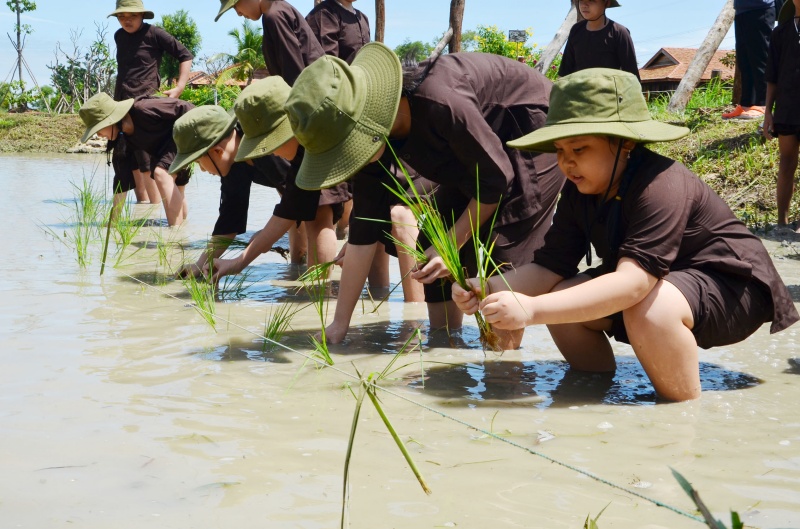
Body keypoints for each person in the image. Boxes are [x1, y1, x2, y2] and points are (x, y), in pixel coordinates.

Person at [451, 68, 799, 402]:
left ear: (625, 143)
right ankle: (591, 394)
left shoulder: (660, 185)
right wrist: (488, 287)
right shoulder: (579, 191)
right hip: (663, 283)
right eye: (559, 150)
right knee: (564, 296)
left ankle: (679, 414)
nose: (567, 163)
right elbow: (550, 268)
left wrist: (532, 309)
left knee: (649, 307)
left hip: (732, 288)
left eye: (579, 149)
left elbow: (634, 284)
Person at [285, 43, 565, 347]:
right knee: (431, 243)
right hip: (475, 156)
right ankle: (445, 344)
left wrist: (453, 244)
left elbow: (496, 179)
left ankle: (504, 364)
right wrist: (339, 325)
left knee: (503, 246)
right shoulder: (373, 146)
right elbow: (362, 236)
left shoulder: (440, 100)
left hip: (529, 131)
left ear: (368, 125)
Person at [170, 79, 350, 280]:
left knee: (318, 213)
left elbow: (299, 202)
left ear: (217, 151)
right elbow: (230, 220)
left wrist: (254, 248)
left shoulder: (268, 145)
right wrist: (201, 263)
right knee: (298, 216)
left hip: (326, 162)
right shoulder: (232, 163)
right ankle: (298, 270)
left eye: (199, 162)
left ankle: (319, 291)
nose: (203, 170)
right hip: (296, 187)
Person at [108, 0, 194, 208]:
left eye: (132, 16)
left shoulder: (154, 34)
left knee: (146, 162)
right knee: (124, 160)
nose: (126, 20)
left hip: (146, 107)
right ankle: (140, 208)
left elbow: (185, 55)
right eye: (122, 16)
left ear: (142, 16)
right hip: (122, 106)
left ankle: (154, 213)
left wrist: (179, 87)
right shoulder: (119, 36)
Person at [306, 0, 370, 239]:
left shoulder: (362, 17)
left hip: (358, 107)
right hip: (333, 111)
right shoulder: (325, 15)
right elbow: (327, 67)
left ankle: (347, 236)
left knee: (356, 175)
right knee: (330, 188)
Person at [79, 93, 194, 227]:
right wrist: (113, 222)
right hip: (163, 150)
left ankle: (173, 233)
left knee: (161, 173)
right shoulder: (122, 140)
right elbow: (121, 179)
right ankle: (182, 231)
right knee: (175, 186)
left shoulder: (142, 109)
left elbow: (185, 108)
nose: (98, 135)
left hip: (181, 136)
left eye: (98, 128)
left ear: (111, 120)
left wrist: (201, 139)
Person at [215, 0, 323, 87]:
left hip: (314, 93)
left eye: (235, 6)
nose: (238, 13)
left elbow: (294, 73)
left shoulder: (274, 16)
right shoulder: (275, 10)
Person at [764, 0, 800, 228]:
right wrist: (768, 112)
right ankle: (782, 223)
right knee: (786, 163)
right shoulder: (780, 33)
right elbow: (772, 76)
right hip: (786, 109)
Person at [723, 0, 781, 120]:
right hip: (741, 10)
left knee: (760, 58)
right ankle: (746, 105)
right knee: (744, 60)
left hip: (761, 8)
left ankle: (763, 104)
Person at [558, 0, 640, 80]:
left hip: (609, 88)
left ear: (606, 3)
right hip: (579, 88)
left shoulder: (619, 33)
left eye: (591, 0)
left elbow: (632, 76)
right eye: (581, 0)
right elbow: (564, 72)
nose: (584, 5)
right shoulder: (576, 30)